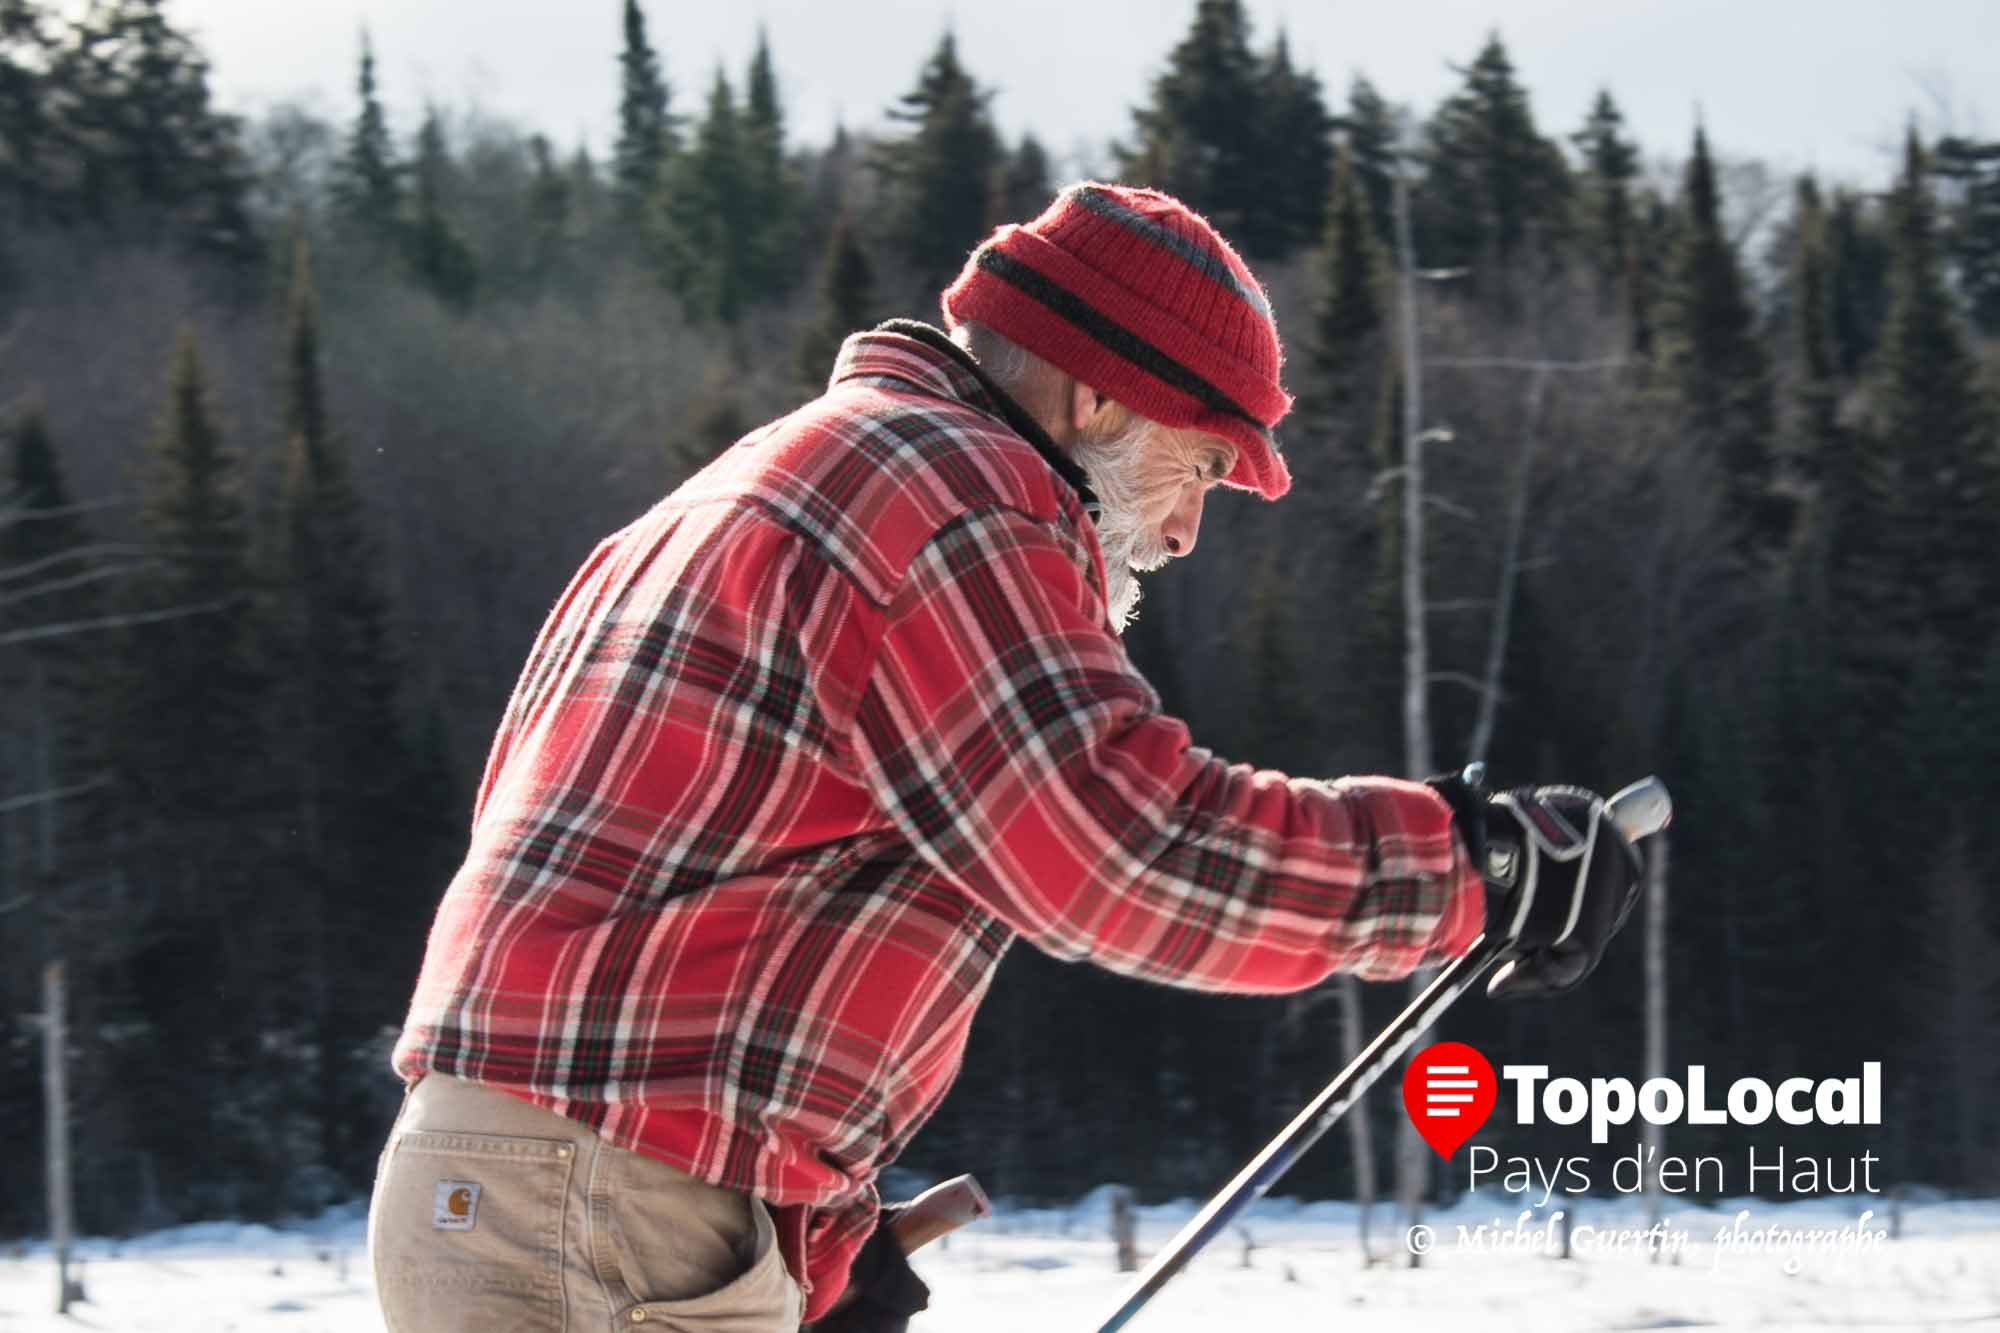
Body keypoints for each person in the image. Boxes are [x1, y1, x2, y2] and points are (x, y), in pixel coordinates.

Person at [369, 183, 1641, 1332]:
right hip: (599, 1206)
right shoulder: (950, 491)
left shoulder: (767, 483)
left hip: (533, 1183)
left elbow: (691, 896)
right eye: (1196, 463)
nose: (1190, 529)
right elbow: (1120, 852)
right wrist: (1463, 869)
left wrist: (811, 1247)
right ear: (1095, 396)